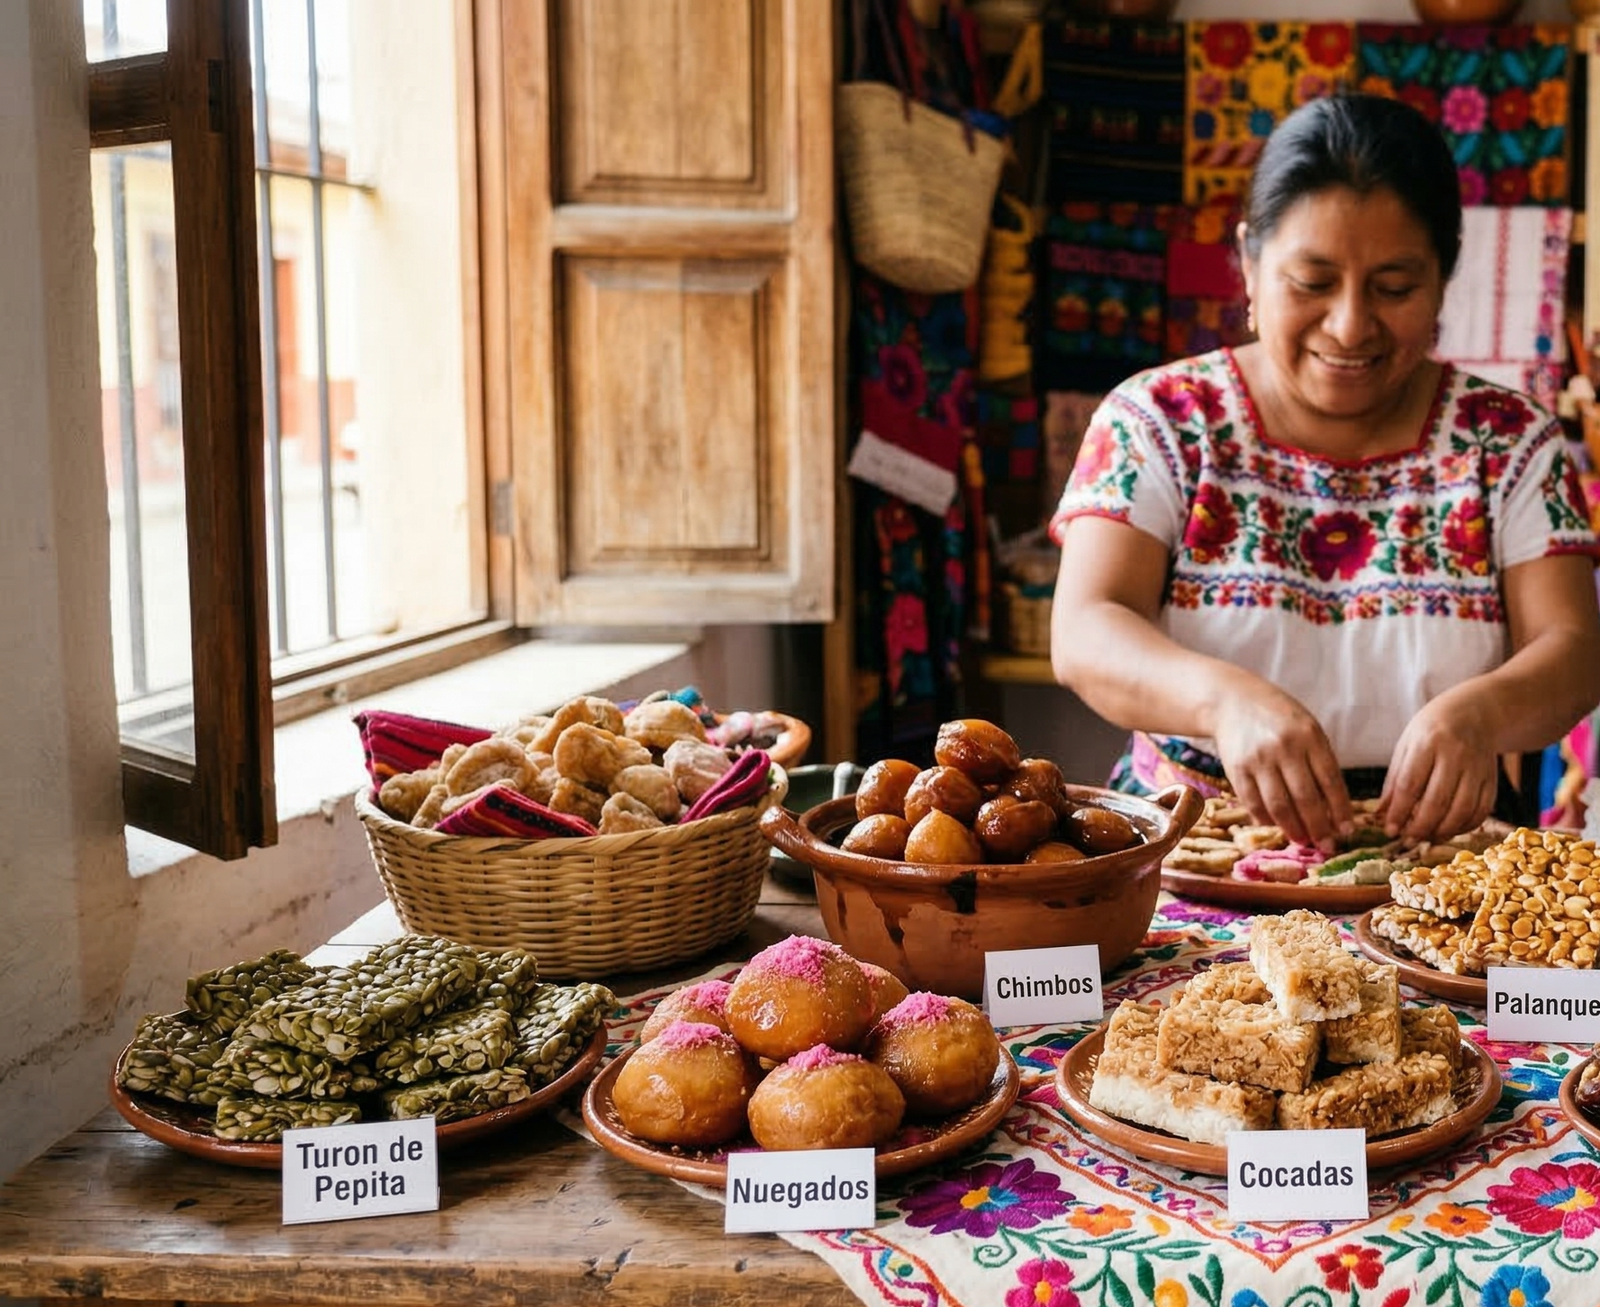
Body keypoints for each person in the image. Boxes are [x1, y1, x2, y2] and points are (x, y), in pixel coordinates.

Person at [1049, 93, 1600, 849]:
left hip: (1443, 861)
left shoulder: (1507, 442)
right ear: (1249, 262)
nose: (1349, 325)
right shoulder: (1162, 419)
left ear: (1444, 279)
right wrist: (1223, 701)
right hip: (1193, 853)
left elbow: (1572, 647)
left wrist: (1480, 713)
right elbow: (1085, 628)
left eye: (1395, 287)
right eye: (1312, 282)